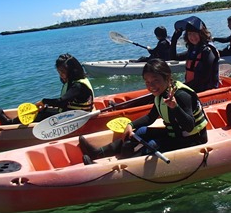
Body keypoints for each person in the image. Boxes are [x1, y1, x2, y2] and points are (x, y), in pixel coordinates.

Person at [79, 58, 208, 165]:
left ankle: (121, 165)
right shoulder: (161, 93)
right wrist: (131, 125)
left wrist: (175, 107)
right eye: (147, 82)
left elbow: (190, 126)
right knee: (140, 132)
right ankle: (98, 153)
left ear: (167, 78)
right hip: (174, 134)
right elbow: (150, 117)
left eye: (155, 80)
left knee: (152, 144)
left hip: (192, 139)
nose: (151, 86)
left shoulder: (181, 95)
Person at [0, 53, 95, 125]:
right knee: (44, 110)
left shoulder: (78, 86)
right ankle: (13, 122)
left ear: (72, 71)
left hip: (75, 118)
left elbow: (61, 101)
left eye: (62, 72)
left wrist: (44, 101)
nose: (60, 75)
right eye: (59, 72)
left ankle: (10, 123)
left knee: (41, 113)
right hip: (73, 113)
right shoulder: (78, 79)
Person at [169, 16, 220, 93]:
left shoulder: (208, 51)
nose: (192, 37)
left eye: (195, 33)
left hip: (206, 91)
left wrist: (183, 87)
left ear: (201, 34)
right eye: (189, 34)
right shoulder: (193, 50)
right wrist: (175, 38)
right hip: (193, 89)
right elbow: (174, 57)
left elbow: (204, 79)